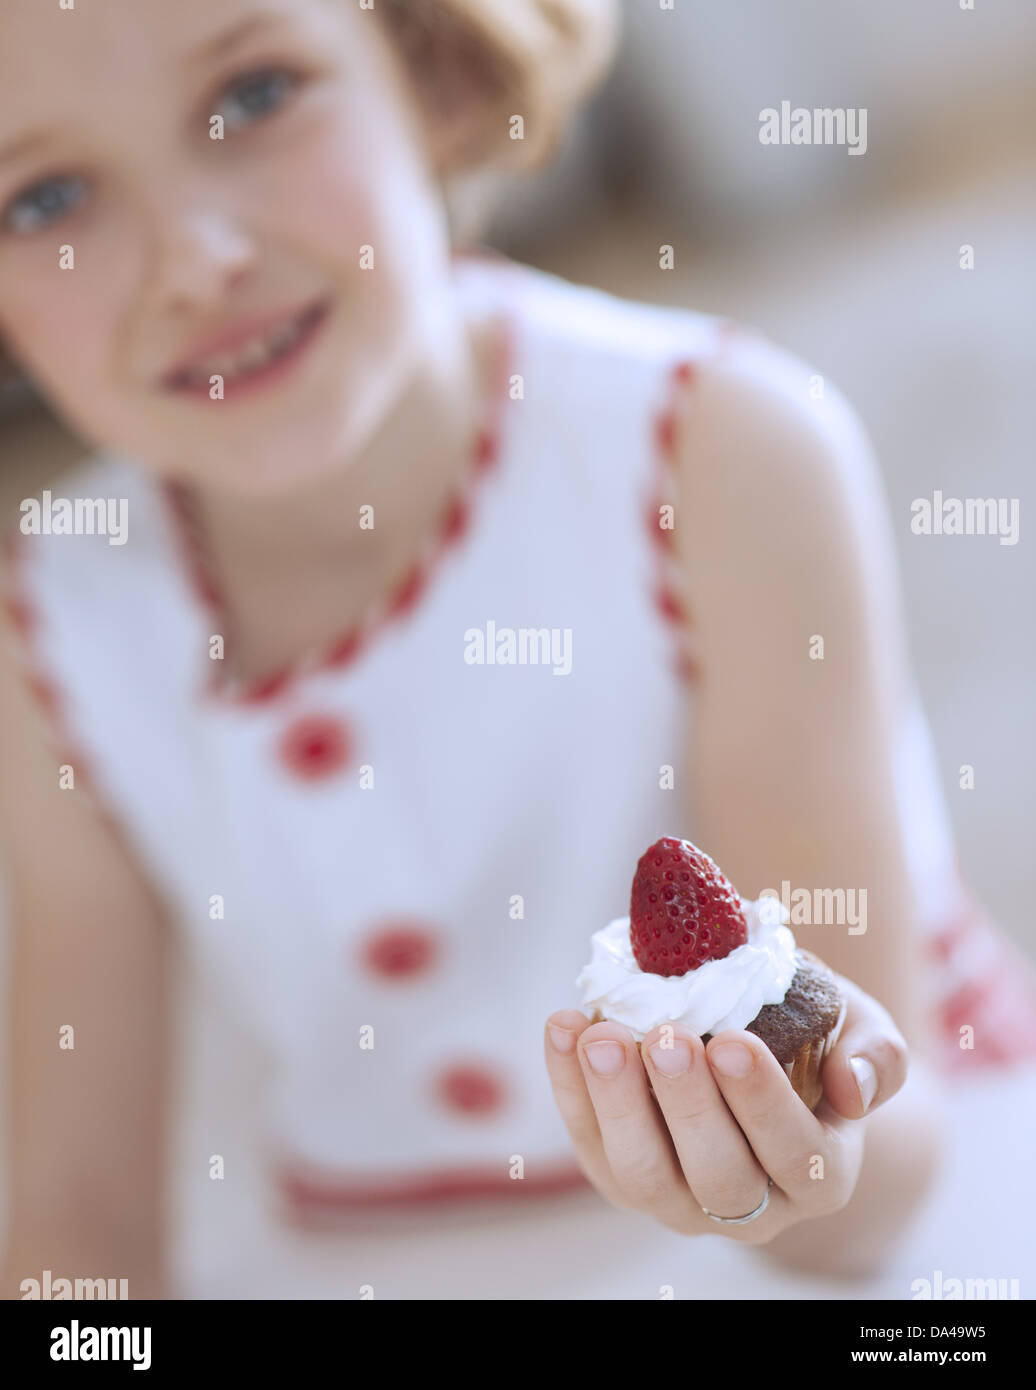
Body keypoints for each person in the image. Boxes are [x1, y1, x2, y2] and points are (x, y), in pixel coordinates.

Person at [1, 0, 1034, 1299]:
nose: (194, 258)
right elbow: (75, 1223)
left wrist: (801, 1153)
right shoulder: (52, 617)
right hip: (376, 1246)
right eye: (44, 200)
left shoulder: (723, 450)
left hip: (840, 1233)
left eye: (255, 95)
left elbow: (872, 1174)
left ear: (432, 65)